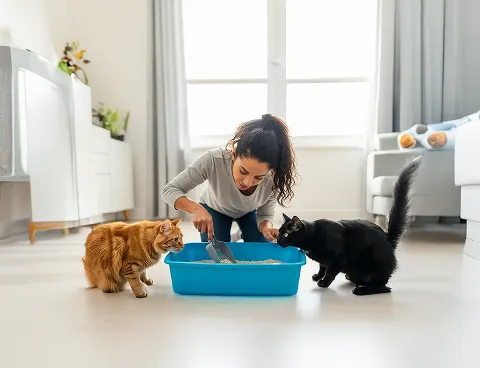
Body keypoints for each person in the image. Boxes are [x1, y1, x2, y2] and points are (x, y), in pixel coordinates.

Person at [161, 114, 298, 243]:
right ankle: (235, 232)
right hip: (214, 208)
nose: (247, 182)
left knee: (260, 248)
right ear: (233, 154)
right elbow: (169, 190)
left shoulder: (273, 178)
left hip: (248, 211)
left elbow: (264, 214)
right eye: (243, 171)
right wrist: (195, 209)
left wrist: (267, 227)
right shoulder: (213, 160)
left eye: (258, 177)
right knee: (218, 253)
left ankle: (243, 233)